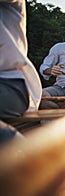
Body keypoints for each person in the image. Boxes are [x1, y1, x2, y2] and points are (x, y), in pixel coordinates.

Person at [0, 0, 42, 143]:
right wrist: (50, 70)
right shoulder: (59, 49)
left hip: (9, 80)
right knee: (49, 96)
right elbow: (45, 69)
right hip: (59, 87)